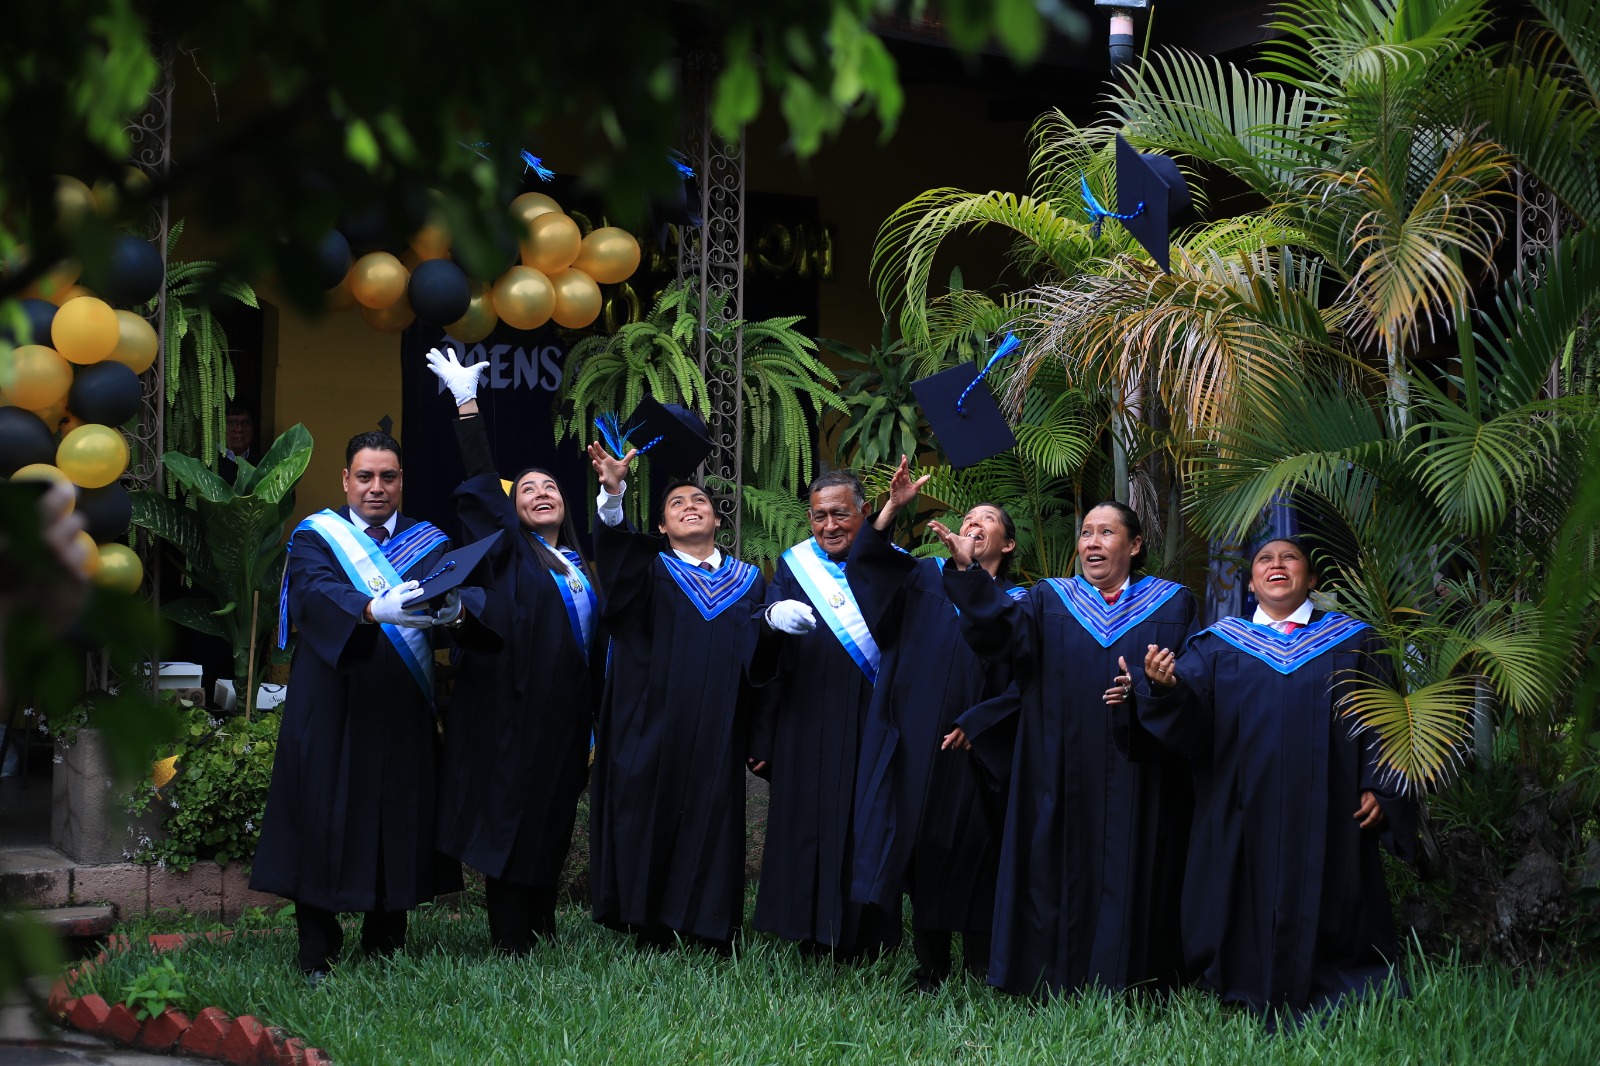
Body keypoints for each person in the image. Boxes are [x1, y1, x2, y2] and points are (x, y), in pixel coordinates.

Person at [1133, 537, 1416, 1022]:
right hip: (1243, 806)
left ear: (1310, 579)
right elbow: (1193, 721)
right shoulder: (1218, 645)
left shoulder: (1353, 641)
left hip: (1331, 809)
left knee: (1334, 891)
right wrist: (1166, 688)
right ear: (1251, 582)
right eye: (1265, 559)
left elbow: (1387, 719)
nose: (1277, 565)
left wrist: (1381, 786)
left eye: (1290, 559)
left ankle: (1337, 972)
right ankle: (1241, 972)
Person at [928, 500, 1196, 998]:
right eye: (1086, 533)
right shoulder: (1050, 598)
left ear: (1134, 546)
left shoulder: (1174, 603)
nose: (1092, 542)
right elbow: (1001, 633)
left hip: (1137, 766)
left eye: (1106, 533)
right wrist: (967, 570)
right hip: (1056, 760)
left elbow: (1192, 679)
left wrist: (1149, 686)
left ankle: (1133, 978)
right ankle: (1049, 974)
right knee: (1053, 859)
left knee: (1132, 860)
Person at [251, 430, 465, 984]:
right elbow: (314, 592)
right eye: (364, 476)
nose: (376, 488)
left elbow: (453, 597)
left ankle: (386, 943)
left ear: (401, 482)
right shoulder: (317, 538)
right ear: (345, 480)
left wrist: (457, 611)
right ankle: (316, 949)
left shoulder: (429, 542)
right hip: (332, 700)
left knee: (397, 817)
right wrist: (371, 607)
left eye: (388, 477)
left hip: (403, 703)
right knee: (322, 813)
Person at [426, 347, 601, 955]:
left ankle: (542, 924)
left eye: (552, 485)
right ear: (514, 507)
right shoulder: (508, 552)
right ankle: (509, 934)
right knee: (513, 820)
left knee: (553, 819)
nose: (542, 492)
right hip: (513, 714)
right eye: (528, 489)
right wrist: (467, 403)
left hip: (568, 718)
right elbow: (481, 483)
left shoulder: (583, 568)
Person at [583, 439, 768, 952]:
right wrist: (614, 495)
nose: (690, 507)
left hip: (718, 729)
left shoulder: (750, 582)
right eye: (677, 504)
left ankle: (709, 925)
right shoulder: (649, 571)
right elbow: (615, 568)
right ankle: (649, 924)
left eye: (700, 502)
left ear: (716, 519)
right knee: (650, 815)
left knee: (714, 816)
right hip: (654, 725)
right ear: (662, 527)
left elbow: (763, 660)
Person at [848, 457, 1024, 990]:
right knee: (922, 843)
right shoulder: (925, 576)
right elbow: (868, 570)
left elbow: (1029, 678)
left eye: (988, 518)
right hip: (916, 737)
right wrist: (890, 511)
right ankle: (930, 962)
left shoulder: (1022, 602)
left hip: (978, 746)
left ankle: (978, 958)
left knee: (975, 845)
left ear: (1007, 545)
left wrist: (982, 722)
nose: (975, 521)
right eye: (969, 516)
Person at [747, 470, 897, 959]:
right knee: (805, 820)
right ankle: (806, 930)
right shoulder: (795, 566)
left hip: (869, 715)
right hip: (805, 713)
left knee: (864, 820)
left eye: (840, 513)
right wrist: (771, 621)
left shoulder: (895, 567)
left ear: (862, 513)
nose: (829, 525)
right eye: (819, 515)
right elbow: (764, 637)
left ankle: (863, 936)